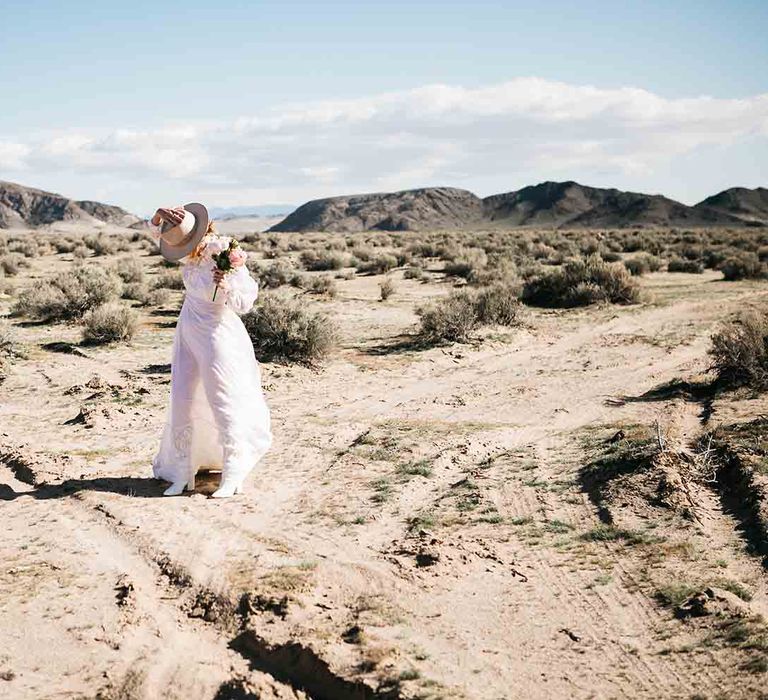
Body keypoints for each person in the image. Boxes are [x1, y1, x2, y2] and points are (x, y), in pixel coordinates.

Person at [148, 203, 272, 498]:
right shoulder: (186, 251)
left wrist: (226, 283)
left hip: (217, 332)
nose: (181, 249)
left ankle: (233, 470)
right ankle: (182, 470)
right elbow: (155, 232)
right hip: (188, 329)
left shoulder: (223, 250)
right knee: (183, 398)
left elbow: (246, 301)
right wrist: (158, 216)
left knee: (222, 398)